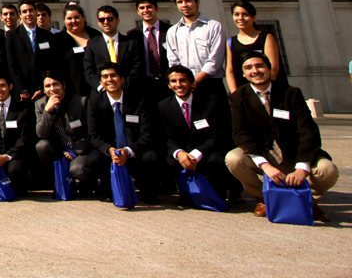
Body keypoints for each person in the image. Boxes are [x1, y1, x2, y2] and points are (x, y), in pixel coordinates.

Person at [226, 52, 339, 222]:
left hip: (293, 154)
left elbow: (308, 130)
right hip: (265, 155)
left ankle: (308, 200)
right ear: (243, 74)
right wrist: (264, 165)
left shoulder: (291, 93)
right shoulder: (238, 97)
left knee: (328, 170)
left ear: (270, 69)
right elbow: (241, 134)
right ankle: (263, 198)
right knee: (233, 159)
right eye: (248, 68)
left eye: (259, 66)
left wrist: (302, 167)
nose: (255, 71)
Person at [157, 65, 234, 203]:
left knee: (217, 159)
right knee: (168, 162)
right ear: (169, 85)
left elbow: (217, 135)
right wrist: (179, 153)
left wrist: (197, 153)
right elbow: (166, 136)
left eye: (183, 80)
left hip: (206, 150)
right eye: (174, 81)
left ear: (192, 83)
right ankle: (185, 192)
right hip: (182, 152)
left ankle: (217, 192)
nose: (178, 85)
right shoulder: (163, 106)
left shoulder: (210, 104)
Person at [85, 62, 158, 204]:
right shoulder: (94, 102)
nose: (110, 79)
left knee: (152, 157)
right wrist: (110, 150)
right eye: (105, 77)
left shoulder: (139, 100)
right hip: (111, 152)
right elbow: (93, 136)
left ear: (122, 79)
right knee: (94, 158)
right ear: (101, 82)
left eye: (113, 75)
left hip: (135, 150)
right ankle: (109, 189)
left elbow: (147, 134)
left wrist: (128, 151)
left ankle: (147, 190)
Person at [163, 0, 225, 100]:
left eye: (188, 1)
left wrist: (195, 81)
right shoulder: (172, 32)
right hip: (185, 88)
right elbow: (173, 61)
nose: (184, 5)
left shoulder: (214, 27)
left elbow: (215, 61)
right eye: (180, 2)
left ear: (198, 2)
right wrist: (184, 82)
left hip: (211, 85)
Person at [34, 72, 92, 192]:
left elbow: (92, 132)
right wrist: (48, 111)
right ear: (44, 90)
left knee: (78, 170)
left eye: (55, 84)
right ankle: (57, 181)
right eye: (48, 86)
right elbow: (41, 134)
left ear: (63, 85)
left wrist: (76, 149)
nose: (52, 89)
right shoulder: (40, 105)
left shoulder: (81, 102)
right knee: (41, 146)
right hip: (58, 150)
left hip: (80, 149)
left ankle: (88, 183)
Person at [225, 0, 286, 93]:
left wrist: (263, 91)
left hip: (269, 92)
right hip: (244, 95)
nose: (240, 18)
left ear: (254, 18)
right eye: (236, 14)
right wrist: (235, 95)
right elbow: (230, 71)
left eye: (245, 15)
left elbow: (273, 68)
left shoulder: (266, 37)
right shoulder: (230, 42)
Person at [4, 3, 60, 102]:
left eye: (31, 10)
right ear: (20, 15)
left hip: (44, 91)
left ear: (35, 13)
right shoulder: (12, 36)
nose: (28, 14)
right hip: (23, 93)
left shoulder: (48, 36)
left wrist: (42, 88)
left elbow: (51, 62)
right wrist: (22, 89)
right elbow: (12, 64)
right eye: (24, 12)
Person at [83, 6, 145, 92]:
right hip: (102, 93)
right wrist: (101, 87)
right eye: (102, 20)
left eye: (110, 19)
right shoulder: (92, 44)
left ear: (117, 21)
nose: (106, 22)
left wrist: (123, 86)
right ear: (98, 22)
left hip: (129, 92)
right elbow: (88, 69)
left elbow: (138, 66)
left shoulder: (131, 42)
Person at [128, 0, 171, 105]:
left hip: (167, 83)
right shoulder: (133, 34)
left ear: (157, 9)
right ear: (138, 11)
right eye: (142, 8)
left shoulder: (170, 31)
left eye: (149, 7)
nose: (146, 10)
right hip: (144, 85)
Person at [53, 3, 99, 98]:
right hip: (73, 90)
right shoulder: (58, 40)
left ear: (84, 18)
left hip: (97, 87)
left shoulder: (96, 35)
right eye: (69, 18)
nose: (73, 21)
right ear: (64, 21)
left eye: (77, 17)